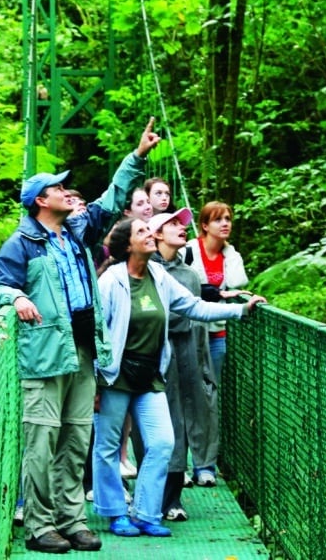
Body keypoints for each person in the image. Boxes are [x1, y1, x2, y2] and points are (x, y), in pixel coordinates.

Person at [0, 119, 161, 554]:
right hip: (45, 354)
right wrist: (14, 297)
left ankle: (71, 519)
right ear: (41, 201)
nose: (69, 193)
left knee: (76, 438)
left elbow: (112, 199)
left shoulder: (78, 233)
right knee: (42, 441)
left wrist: (137, 156)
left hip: (83, 351)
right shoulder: (22, 243)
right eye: (60, 190)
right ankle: (40, 525)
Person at [93, 217, 266, 538]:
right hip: (116, 377)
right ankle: (116, 512)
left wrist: (240, 310)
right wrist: (95, 382)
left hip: (150, 376)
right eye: (142, 231)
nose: (149, 235)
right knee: (106, 446)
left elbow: (194, 306)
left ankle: (146, 512)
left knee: (162, 443)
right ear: (127, 245)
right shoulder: (110, 281)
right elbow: (97, 332)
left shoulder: (159, 275)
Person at [148, 208, 219, 520]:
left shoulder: (190, 275)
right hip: (149, 355)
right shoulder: (143, 269)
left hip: (185, 352)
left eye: (182, 224)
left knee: (181, 420)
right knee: (152, 425)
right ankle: (149, 496)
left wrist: (202, 364)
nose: (181, 229)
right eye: (172, 224)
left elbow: (193, 316)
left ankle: (173, 499)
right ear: (157, 234)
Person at [184, 200, 251, 487]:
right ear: (204, 225)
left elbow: (238, 282)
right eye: (218, 220)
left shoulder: (229, 255)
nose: (225, 224)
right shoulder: (188, 250)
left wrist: (229, 253)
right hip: (190, 333)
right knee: (184, 396)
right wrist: (216, 292)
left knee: (209, 398)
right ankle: (180, 464)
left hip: (217, 334)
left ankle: (205, 464)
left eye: (228, 219)